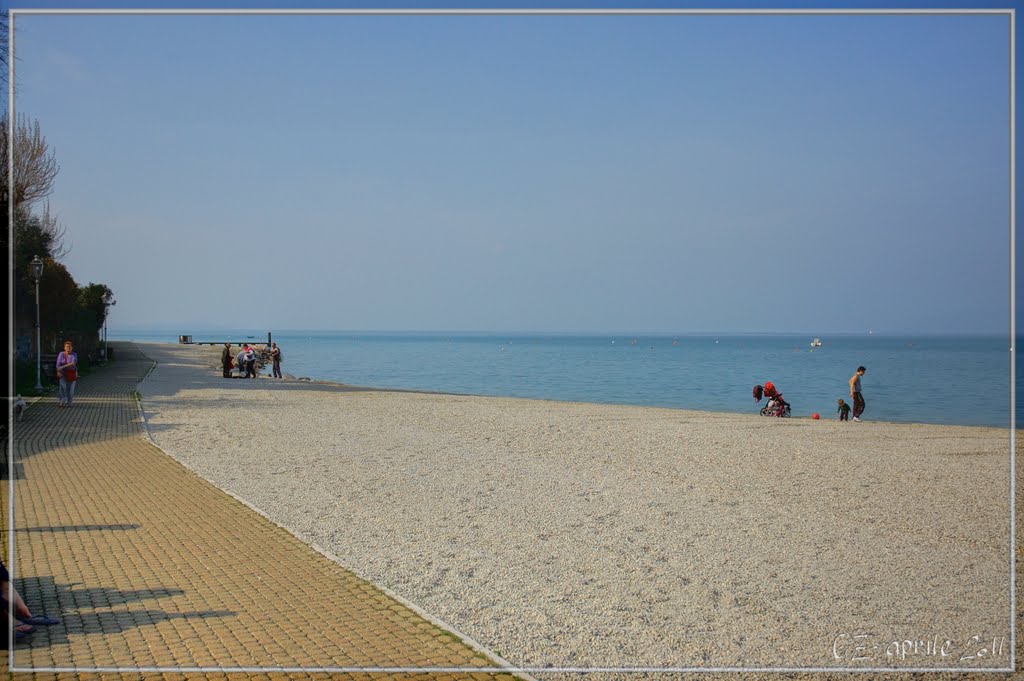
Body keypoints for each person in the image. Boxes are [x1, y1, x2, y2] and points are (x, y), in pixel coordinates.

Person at [55, 340, 78, 407]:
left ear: (72, 348)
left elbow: (73, 363)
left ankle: (70, 402)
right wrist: (58, 371)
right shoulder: (61, 354)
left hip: (71, 374)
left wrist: (63, 366)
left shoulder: (74, 354)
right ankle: (62, 401)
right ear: (64, 348)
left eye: (69, 347)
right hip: (63, 374)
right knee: (62, 387)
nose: (68, 348)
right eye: (67, 347)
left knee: (71, 390)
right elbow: (58, 364)